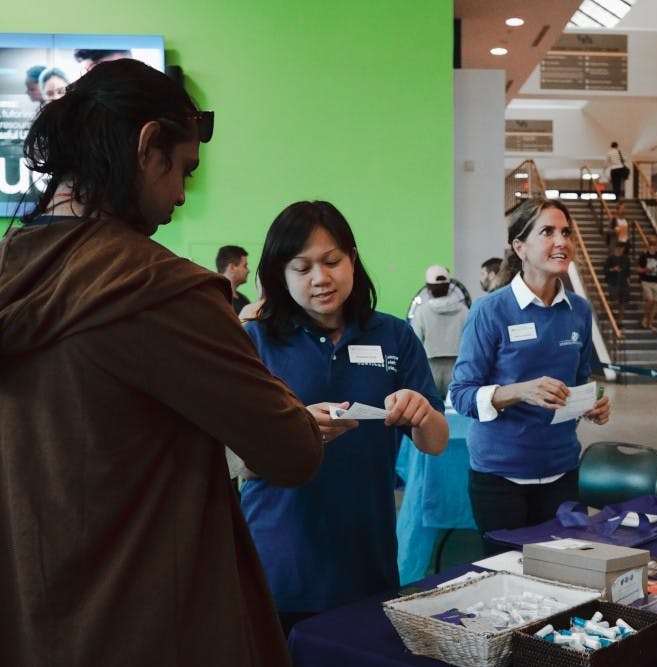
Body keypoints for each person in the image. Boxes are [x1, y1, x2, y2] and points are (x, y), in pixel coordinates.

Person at [0, 58, 321, 666]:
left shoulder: (11, 273)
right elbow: (292, 452)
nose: (179, 196)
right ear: (149, 145)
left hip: (30, 625)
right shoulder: (164, 292)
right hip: (150, 627)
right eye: (183, 170)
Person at [240, 200, 448, 635]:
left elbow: (435, 442)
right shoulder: (256, 340)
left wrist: (422, 410)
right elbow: (227, 454)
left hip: (365, 559)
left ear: (352, 258)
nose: (321, 278)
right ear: (280, 274)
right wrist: (292, 434)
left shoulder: (394, 335)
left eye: (332, 261)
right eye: (302, 267)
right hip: (280, 560)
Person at [450, 197, 611, 554]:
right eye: (548, 232)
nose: (562, 241)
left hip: (562, 471)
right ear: (519, 247)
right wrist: (520, 391)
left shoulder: (579, 311)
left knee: (563, 580)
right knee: (505, 583)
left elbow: (579, 381)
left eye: (566, 232)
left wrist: (591, 405)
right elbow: (461, 395)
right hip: (500, 477)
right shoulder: (489, 311)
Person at [411, 264, 469, 398]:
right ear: (449, 286)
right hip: (458, 368)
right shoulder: (464, 311)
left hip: (430, 369)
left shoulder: (421, 311)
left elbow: (415, 343)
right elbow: (471, 341)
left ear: (428, 288)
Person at [636, 234, 657, 331]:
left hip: (656, 281)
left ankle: (650, 322)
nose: (654, 247)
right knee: (650, 299)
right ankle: (645, 317)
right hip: (646, 280)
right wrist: (645, 269)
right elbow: (638, 270)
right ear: (649, 246)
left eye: (656, 246)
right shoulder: (644, 255)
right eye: (652, 245)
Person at [216, 244, 251, 313]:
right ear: (232, 267)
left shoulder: (244, 300)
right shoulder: (216, 300)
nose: (248, 271)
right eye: (245, 266)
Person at [603, 241, 630, 320]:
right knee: (615, 300)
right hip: (613, 281)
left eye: (622, 248)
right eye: (619, 248)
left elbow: (628, 271)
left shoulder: (625, 259)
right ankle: (608, 309)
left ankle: (620, 320)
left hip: (623, 281)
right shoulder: (611, 258)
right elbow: (605, 270)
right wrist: (613, 269)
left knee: (623, 302)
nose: (620, 250)